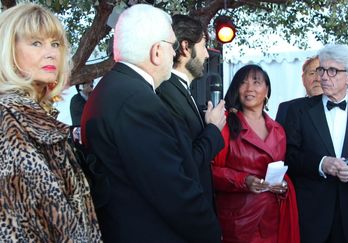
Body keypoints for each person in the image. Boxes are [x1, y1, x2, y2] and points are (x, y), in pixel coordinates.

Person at [80, 4, 223, 242]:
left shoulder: (114, 88)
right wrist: (211, 231)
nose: (174, 53)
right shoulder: (138, 103)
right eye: (172, 45)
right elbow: (173, 191)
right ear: (157, 51)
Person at [0, 3, 101, 242]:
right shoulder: (8, 119)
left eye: (55, 44)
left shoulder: (36, 117)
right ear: (7, 50)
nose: (51, 53)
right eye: (36, 43)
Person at [283, 44, 348, 243]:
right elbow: (288, 156)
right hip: (311, 213)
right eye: (321, 69)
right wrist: (321, 164)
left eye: (332, 71)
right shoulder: (298, 110)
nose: (323, 77)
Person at [212, 64, 300, 243]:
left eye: (256, 82)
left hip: (271, 218)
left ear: (267, 90)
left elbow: (281, 171)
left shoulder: (278, 130)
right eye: (243, 83)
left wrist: (282, 186)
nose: (249, 88)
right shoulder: (226, 124)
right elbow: (211, 171)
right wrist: (244, 181)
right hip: (238, 220)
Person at [156, 14, 225, 208]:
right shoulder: (167, 92)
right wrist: (213, 128)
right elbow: (187, 162)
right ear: (186, 47)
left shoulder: (180, 89)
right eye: (203, 45)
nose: (207, 55)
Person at [276, 55, 322, 125]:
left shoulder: (342, 108)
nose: (317, 79)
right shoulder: (286, 109)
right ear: (303, 79)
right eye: (312, 73)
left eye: (321, 73)